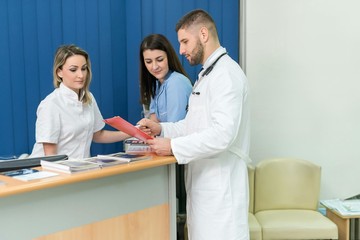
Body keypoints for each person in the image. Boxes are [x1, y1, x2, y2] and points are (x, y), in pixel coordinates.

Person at [138, 9, 251, 240]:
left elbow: (223, 135)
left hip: (221, 191)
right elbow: (192, 125)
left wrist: (173, 147)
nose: (180, 50)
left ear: (203, 34)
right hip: (203, 188)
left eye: (184, 42)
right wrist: (162, 130)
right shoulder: (206, 75)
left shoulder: (226, 75)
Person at [30, 44, 130, 159]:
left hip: (80, 168)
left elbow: (98, 135)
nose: (81, 75)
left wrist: (133, 133)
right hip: (55, 171)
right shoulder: (51, 104)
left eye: (84, 68)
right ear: (59, 72)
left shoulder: (89, 98)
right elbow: (50, 156)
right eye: (73, 70)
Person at [139, 33, 192, 122]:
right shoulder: (156, 84)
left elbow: (175, 130)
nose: (154, 66)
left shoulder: (176, 83)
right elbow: (154, 121)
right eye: (148, 62)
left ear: (169, 57)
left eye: (160, 60)